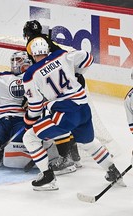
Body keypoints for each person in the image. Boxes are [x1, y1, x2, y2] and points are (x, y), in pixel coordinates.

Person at [22, 37, 124, 191]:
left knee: (29, 137)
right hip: (83, 109)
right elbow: (88, 57)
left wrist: (28, 123)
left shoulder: (30, 74)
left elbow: (35, 106)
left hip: (66, 114)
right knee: (88, 142)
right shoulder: (62, 55)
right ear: (47, 50)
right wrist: (75, 72)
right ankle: (113, 171)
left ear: (32, 54)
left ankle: (47, 177)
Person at [23, 20, 82, 170]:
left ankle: (66, 159)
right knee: (67, 119)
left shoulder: (32, 44)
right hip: (71, 81)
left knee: (58, 119)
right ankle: (74, 155)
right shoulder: (45, 40)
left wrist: (29, 95)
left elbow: (39, 69)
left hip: (60, 86)